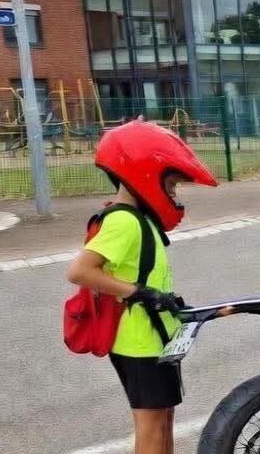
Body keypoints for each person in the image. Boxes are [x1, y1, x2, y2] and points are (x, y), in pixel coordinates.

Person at [65, 119, 218, 454]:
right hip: (138, 341)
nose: (174, 192)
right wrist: (136, 291)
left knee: (163, 418)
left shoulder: (141, 219)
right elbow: (80, 271)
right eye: (172, 183)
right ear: (146, 174)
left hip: (153, 337)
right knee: (150, 425)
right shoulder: (123, 221)